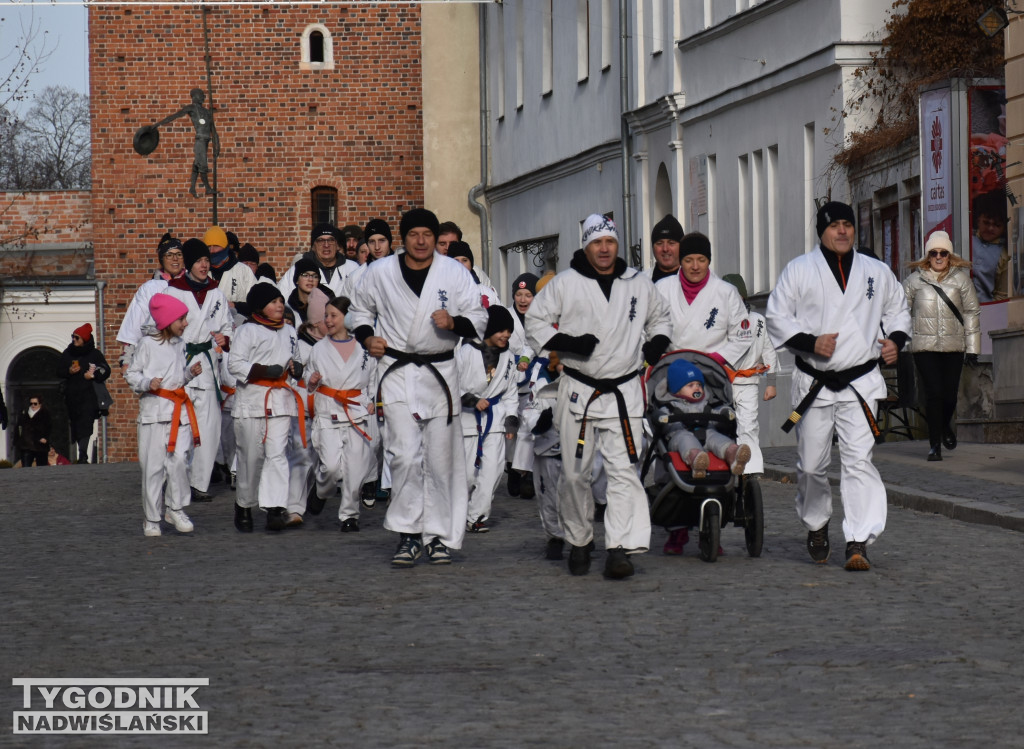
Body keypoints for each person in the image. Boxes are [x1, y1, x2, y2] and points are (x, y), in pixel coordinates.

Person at [767, 200, 911, 572]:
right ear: (822, 231)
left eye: (848, 224)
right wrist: (810, 342)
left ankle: (858, 540)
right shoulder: (799, 271)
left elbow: (898, 308)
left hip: (860, 381)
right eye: (835, 226)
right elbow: (776, 317)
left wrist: (895, 339)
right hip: (815, 382)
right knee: (812, 466)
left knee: (858, 462)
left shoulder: (876, 272)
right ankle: (816, 524)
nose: (843, 231)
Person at [525, 213, 671, 580]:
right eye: (596, 242)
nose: (604, 249)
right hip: (580, 389)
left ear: (617, 245)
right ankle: (578, 539)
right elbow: (535, 323)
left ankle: (619, 547)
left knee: (624, 473)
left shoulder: (637, 283)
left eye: (610, 242)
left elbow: (661, 318)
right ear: (585, 245)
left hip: (624, 390)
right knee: (575, 474)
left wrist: (655, 345)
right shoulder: (565, 283)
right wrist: (569, 343)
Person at [349, 208, 488, 567]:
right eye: (414, 235)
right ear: (404, 238)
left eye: (428, 234)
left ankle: (438, 536)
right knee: (405, 455)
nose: (422, 241)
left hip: (440, 372)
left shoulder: (453, 272)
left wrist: (454, 321)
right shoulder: (380, 272)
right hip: (395, 370)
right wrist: (367, 337)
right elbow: (358, 312)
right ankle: (408, 534)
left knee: (441, 460)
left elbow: (479, 317)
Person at [654, 231, 751, 554]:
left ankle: (716, 512)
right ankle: (676, 527)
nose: (695, 266)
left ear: (709, 261)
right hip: (670, 376)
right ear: (680, 261)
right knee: (668, 437)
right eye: (689, 260)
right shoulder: (662, 290)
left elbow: (742, 334)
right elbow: (650, 328)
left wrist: (717, 361)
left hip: (712, 373)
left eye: (701, 260)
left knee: (716, 430)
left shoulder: (725, 293)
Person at [125, 293, 203, 537]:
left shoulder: (180, 345)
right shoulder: (147, 345)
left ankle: (175, 507)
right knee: (153, 468)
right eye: (181, 319)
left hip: (178, 414)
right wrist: (149, 383)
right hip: (154, 415)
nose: (185, 323)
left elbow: (177, 375)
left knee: (180, 460)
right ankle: (152, 518)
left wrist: (189, 374)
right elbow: (132, 374)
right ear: (168, 321)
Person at [229, 283, 304, 532]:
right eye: (273, 302)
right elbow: (234, 364)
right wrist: (261, 370)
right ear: (261, 306)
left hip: (281, 399)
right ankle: (244, 504)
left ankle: (274, 508)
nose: (280, 305)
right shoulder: (247, 331)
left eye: (281, 301)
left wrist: (296, 368)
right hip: (252, 400)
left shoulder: (290, 332)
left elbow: (297, 358)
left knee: (277, 454)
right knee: (250, 456)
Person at [163, 238, 234, 501]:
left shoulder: (216, 293)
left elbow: (227, 326)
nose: (204, 265)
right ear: (188, 264)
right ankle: (177, 479)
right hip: (180, 363)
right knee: (178, 427)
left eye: (206, 260)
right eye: (199, 261)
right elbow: (161, 326)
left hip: (206, 365)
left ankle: (199, 483)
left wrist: (224, 340)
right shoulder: (173, 291)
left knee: (210, 427)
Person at [903, 230, 981, 461]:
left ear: (950, 255)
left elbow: (971, 313)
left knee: (949, 396)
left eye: (943, 253)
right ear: (928, 255)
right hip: (924, 346)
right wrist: (903, 343)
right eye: (934, 253)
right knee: (934, 393)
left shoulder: (961, 281)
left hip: (953, 345)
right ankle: (934, 445)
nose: (938, 257)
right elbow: (899, 314)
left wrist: (973, 349)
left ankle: (944, 426)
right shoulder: (913, 281)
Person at [306, 296, 377, 531]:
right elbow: (308, 377)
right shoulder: (318, 349)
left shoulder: (364, 349)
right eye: (326, 315)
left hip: (357, 413)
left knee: (355, 469)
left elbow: (373, 381)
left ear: (348, 318)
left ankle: (349, 516)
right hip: (329, 413)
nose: (328, 320)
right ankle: (322, 489)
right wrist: (312, 380)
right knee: (331, 468)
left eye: (334, 315)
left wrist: (372, 401)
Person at [457, 305, 519, 533]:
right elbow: (450, 384)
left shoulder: (509, 357)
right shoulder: (466, 351)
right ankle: (458, 514)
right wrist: (472, 400)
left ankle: (477, 516)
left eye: (509, 331)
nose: (506, 335)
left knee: (493, 470)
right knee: (466, 475)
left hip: (495, 420)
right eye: (502, 330)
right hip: (467, 420)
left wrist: (511, 420)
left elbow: (511, 391)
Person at [721, 273, 779, 476]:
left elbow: (768, 351)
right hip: (722, 384)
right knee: (722, 425)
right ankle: (724, 465)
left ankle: (751, 470)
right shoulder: (716, 321)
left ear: (744, 297)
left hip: (747, 383)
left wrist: (770, 383)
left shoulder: (757, 321)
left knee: (748, 426)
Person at [657, 359, 751, 478]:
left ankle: (732, 453)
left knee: (718, 438)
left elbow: (717, 410)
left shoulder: (706, 404)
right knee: (685, 439)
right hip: (680, 435)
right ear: (677, 390)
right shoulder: (671, 406)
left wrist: (726, 412)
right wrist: (660, 418)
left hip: (707, 432)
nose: (696, 388)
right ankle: (695, 458)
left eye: (699, 385)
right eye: (690, 385)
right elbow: (662, 418)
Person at [116, 233, 186, 366]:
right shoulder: (150, 288)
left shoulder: (192, 284)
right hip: (157, 354)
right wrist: (126, 359)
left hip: (186, 354)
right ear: (162, 259)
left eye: (179, 254)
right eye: (169, 255)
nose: (175, 259)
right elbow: (135, 323)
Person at [56, 324, 111, 464]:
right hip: (72, 396)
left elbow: (105, 370)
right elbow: (58, 371)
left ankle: (83, 454)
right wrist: (69, 371)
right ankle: (81, 452)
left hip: (89, 396)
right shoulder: (68, 353)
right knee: (75, 423)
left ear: (84, 339)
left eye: (77, 337)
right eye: (73, 337)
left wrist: (92, 375)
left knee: (86, 423)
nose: (74, 340)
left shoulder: (94, 354)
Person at [153, 87, 220, 197]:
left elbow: (213, 130)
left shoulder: (207, 112)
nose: (203, 97)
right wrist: (158, 124)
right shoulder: (192, 108)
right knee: (202, 164)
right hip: (200, 141)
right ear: (195, 97)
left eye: (203, 95)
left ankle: (192, 188)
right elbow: (174, 116)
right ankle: (208, 188)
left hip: (206, 140)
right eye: (200, 95)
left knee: (197, 164)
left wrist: (217, 145)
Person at [279, 225, 361, 301]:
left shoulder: (352, 268)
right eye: (320, 241)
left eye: (330, 240)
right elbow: (283, 298)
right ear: (313, 246)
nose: (326, 245)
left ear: (337, 245)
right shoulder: (299, 268)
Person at [970, 191, 1010, 302]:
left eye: (997, 225)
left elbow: (1002, 295)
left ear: (1004, 228)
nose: (990, 228)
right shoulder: (967, 239)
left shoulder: (1004, 255)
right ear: (978, 220)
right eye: (986, 223)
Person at [206, 226, 256, 306]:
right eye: (208, 247)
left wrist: (235, 306)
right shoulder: (202, 272)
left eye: (216, 246)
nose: (212, 251)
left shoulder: (243, 271)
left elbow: (255, 303)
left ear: (225, 247)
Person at [15, 395, 51, 467]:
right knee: (26, 468)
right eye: (31, 403)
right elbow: (18, 427)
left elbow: (50, 428)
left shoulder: (45, 414)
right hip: (26, 445)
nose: (33, 405)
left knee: (42, 468)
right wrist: (18, 441)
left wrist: (46, 438)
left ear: (40, 404)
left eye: (35, 403)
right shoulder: (24, 414)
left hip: (40, 446)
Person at [647, 214, 684, 282]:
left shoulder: (692, 282)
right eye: (659, 243)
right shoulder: (643, 280)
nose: (665, 249)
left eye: (671, 243)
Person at [284, 256, 321, 325]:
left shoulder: (326, 306)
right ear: (297, 280)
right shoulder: (288, 309)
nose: (310, 279)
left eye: (315, 276)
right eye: (305, 275)